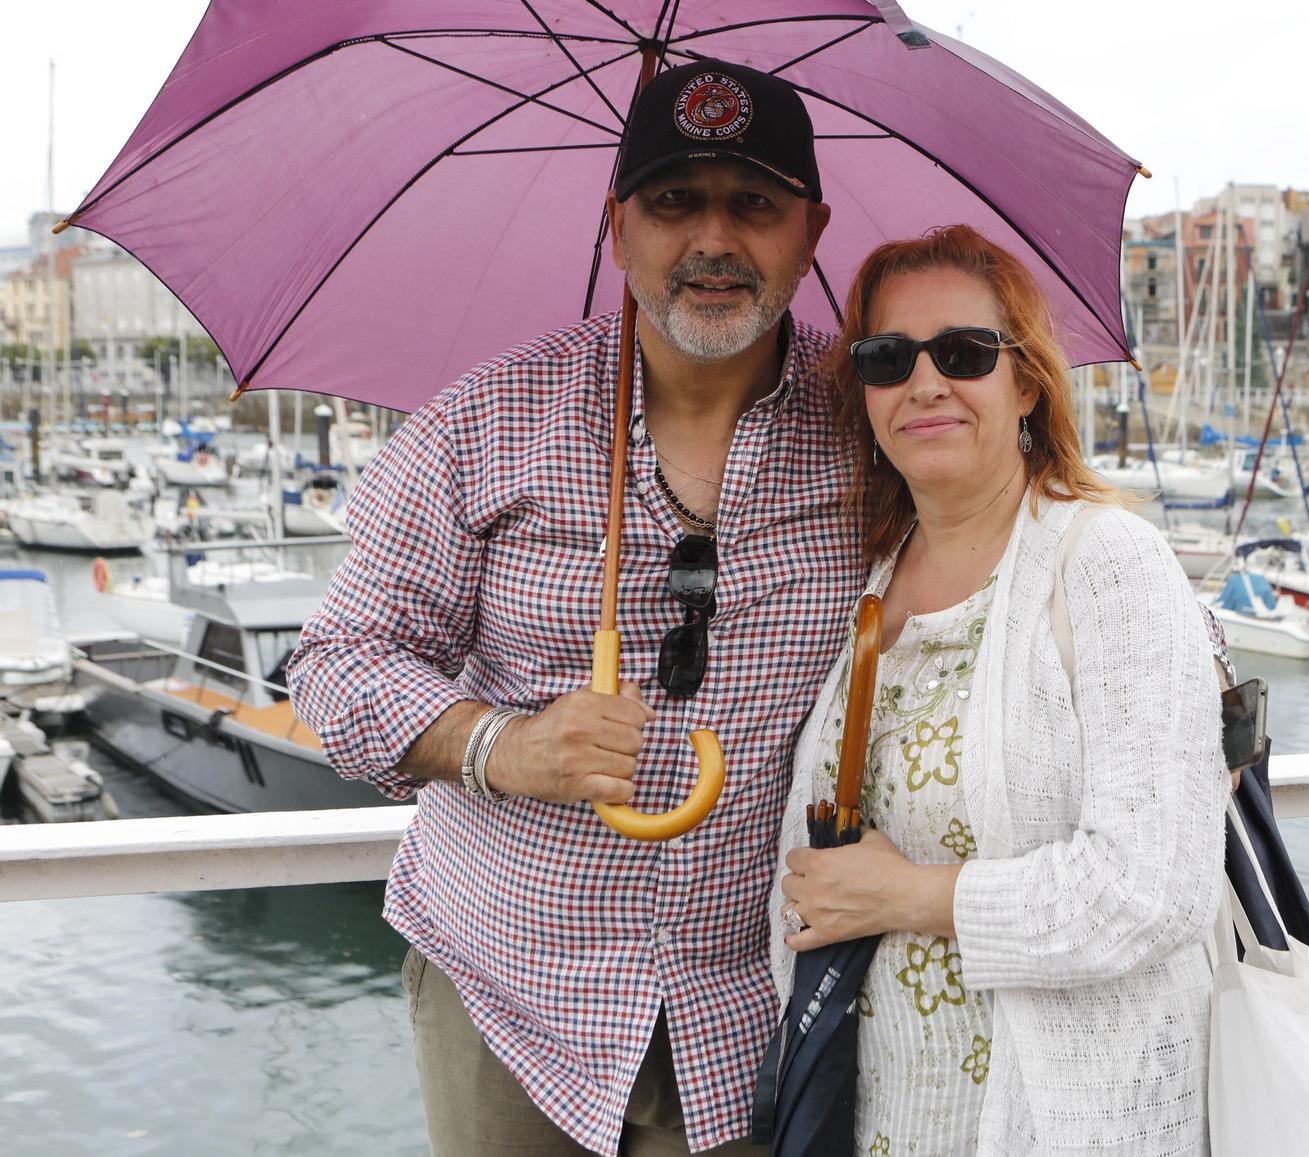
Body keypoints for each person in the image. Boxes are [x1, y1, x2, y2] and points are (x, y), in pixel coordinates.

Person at [291, 59, 857, 1156]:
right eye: (672, 202)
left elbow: (1026, 557)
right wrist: (504, 743)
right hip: (509, 995)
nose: (712, 241)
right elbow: (338, 660)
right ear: (616, 226)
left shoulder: (870, 423)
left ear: (810, 229)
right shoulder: (492, 415)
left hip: (752, 1008)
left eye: (753, 204)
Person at [770, 226, 1228, 1155]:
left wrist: (909, 895)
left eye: (965, 352)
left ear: (1025, 383)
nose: (925, 381)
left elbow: (1154, 887)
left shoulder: (1105, 560)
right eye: (888, 357)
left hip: (1057, 1122)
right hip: (874, 1120)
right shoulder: (872, 580)